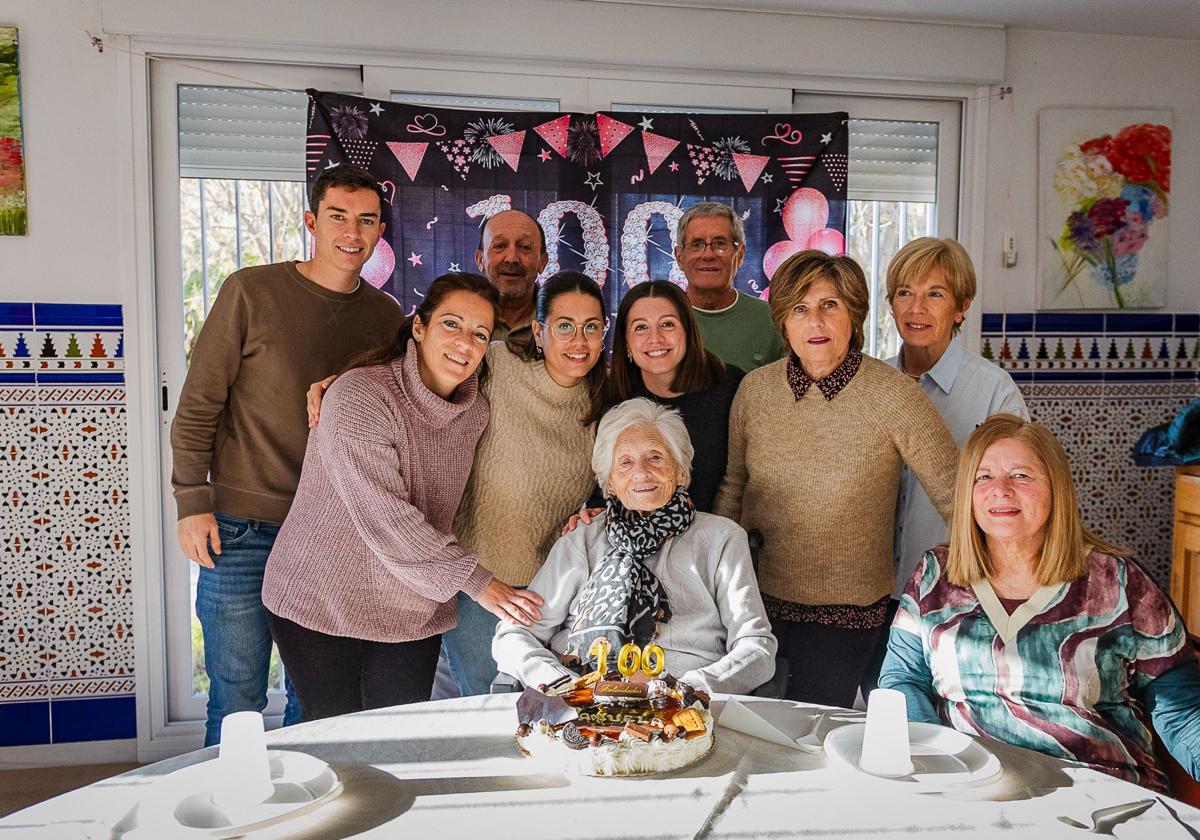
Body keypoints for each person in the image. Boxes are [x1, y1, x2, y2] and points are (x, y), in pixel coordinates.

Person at [170, 164, 405, 745]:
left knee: (316, 701)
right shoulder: (249, 291)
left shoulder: (386, 317)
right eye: (338, 217)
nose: (352, 232)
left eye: (367, 220)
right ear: (311, 221)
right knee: (237, 698)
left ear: (380, 232)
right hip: (239, 529)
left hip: (331, 536)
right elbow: (199, 403)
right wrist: (190, 500)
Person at [261, 273, 542, 721]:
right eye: (452, 324)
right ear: (419, 327)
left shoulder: (475, 413)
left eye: (480, 334)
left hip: (410, 603)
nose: (465, 343)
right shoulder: (359, 396)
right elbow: (387, 517)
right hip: (322, 597)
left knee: (397, 739)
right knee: (337, 744)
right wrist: (477, 581)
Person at [881, 414, 1200, 792]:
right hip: (971, 787)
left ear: (1056, 488)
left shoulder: (1118, 581)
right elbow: (902, 681)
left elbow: (1179, 710)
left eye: (1021, 475)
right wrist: (938, 760)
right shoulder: (934, 575)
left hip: (1098, 794)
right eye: (983, 477)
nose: (1000, 490)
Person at [714, 250, 957, 708]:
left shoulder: (893, 393)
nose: (815, 322)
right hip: (755, 606)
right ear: (783, 321)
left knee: (811, 736)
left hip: (847, 614)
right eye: (800, 309)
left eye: (830, 305)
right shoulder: (756, 390)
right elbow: (733, 488)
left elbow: (954, 491)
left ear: (854, 314)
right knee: (749, 730)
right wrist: (713, 587)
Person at [494, 398, 777, 693]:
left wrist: (686, 689)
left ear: (680, 471)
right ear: (610, 483)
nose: (641, 472)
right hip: (580, 697)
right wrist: (562, 684)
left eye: (655, 457)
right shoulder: (583, 538)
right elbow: (514, 633)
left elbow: (757, 647)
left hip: (682, 701)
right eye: (625, 462)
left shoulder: (722, 539)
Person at [860, 237, 1029, 696]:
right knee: (883, 714)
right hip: (871, 592)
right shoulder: (869, 384)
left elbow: (1016, 494)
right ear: (890, 303)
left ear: (961, 307)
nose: (917, 307)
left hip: (956, 591)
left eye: (935, 294)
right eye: (904, 292)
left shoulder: (993, 391)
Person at [598, 280, 743, 512]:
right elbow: (604, 489)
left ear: (687, 330)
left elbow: (743, 480)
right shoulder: (611, 399)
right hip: (637, 540)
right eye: (640, 327)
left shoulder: (732, 388)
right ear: (626, 341)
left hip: (716, 536)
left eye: (667, 324)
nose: (655, 338)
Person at [675, 202, 785, 372]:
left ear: (740, 255)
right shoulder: (660, 320)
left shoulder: (771, 319)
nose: (708, 254)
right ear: (679, 257)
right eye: (696, 244)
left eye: (719, 244)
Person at [475, 209, 548, 345]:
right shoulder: (458, 318)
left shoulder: (558, 321)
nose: (512, 258)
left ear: (542, 262)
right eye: (499, 246)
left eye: (525, 247)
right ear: (480, 260)